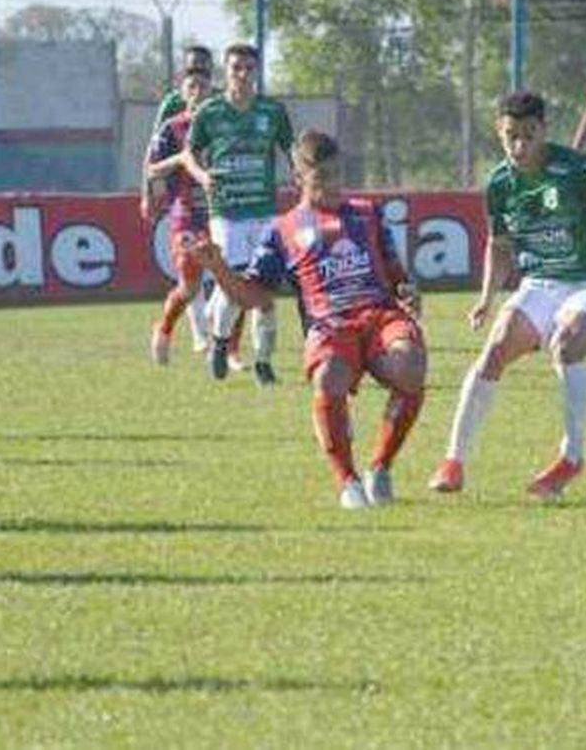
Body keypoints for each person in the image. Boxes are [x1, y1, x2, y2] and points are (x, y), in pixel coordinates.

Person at [185, 130, 426, 510]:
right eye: (321, 179)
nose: (333, 186)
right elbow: (254, 296)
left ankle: (379, 468)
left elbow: (396, 273)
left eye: (337, 175)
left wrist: (407, 289)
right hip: (329, 327)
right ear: (298, 180)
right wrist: (216, 267)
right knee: (328, 377)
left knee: (411, 368)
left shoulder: (369, 214)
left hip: (380, 315)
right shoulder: (281, 231)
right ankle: (348, 483)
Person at [429, 91, 586, 499]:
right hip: (540, 282)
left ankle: (571, 457)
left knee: (566, 345)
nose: (520, 145)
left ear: (544, 130)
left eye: (529, 135)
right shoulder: (499, 183)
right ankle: (453, 461)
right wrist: (486, 298)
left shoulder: (578, 169)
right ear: (499, 132)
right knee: (493, 350)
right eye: (512, 136)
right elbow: (500, 245)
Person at [181, 43, 295, 385]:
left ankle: (262, 361)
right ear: (225, 72)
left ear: (256, 72)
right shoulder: (210, 112)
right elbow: (188, 154)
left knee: (263, 291)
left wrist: (300, 174)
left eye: (248, 68)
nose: (242, 75)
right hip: (227, 212)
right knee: (238, 285)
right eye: (236, 69)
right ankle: (221, 340)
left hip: (263, 210)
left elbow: (291, 149)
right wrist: (202, 176)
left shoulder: (272, 111)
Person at [143, 44, 215, 353]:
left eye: (203, 84)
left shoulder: (223, 120)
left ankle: (222, 340)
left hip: (220, 211)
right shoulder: (171, 125)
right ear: (183, 91)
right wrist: (179, 163)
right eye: (192, 86)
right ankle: (171, 328)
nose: (198, 90)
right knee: (190, 278)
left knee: (231, 276)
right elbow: (151, 166)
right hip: (185, 210)